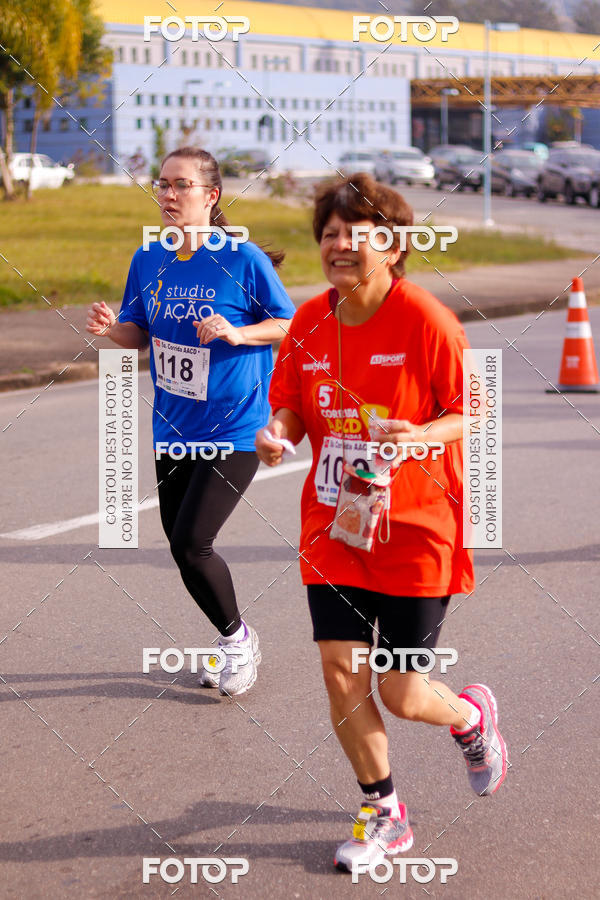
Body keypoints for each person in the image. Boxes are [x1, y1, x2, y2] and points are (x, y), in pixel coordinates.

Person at [256, 173, 508, 872]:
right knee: (341, 671)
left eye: (353, 234)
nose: (338, 246)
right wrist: (276, 433)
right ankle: (383, 810)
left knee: (401, 693)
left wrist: (420, 436)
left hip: (417, 527)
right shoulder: (310, 322)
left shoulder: (425, 319)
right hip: (336, 527)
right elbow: (291, 408)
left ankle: (470, 718)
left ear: (391, 246)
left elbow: (470, 412)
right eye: (329, 234)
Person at [87, 147, 296, 696]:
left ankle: (237, 642)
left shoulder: (242, 259)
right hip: (173, 426)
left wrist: (237, 333)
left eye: (181, 185)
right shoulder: (148, 259)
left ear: (211, 196)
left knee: (191, 541)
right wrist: (112, 327)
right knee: (181, 547)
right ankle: (233, 637)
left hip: (237, 426)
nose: (169, 195)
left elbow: (288, 325)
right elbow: (138, 330)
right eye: (162, 185)